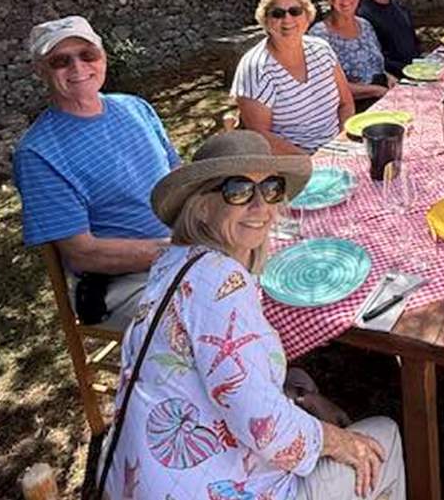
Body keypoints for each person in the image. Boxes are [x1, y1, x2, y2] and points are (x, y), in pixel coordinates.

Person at [101, 130, 406, 500]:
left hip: (140, 479)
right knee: (383, 440)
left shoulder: (174, 263)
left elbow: (227, 377)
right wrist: (338, 441)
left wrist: (301, 397)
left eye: (271, 188)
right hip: (211, 487)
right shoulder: (220, 281)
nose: (260, 205)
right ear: (201, 205)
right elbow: (267, 430)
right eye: (238, 190)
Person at [12, 16, 177, 329]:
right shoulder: (38, 154)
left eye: (87, 55)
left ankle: (275, 370)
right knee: (214, 310)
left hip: (180, 250)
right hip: (119, 283)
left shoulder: (136, 108)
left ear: (103, 57)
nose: (77, 68)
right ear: (40, 71)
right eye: (60, 61)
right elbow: (84, 254)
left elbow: (178, 179)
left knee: (271, 263)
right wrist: (181, 251)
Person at [232, 0, 355, 155]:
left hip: (339, 150)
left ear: (307, 16)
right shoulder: (255, 68)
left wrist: (343, 141)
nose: (287, 19)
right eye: (277, 13)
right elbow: (259, 137)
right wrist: (312, 162)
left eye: (295, 11)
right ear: (266, 20)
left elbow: (346, 104)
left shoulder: (322, 50)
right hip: (292, 166)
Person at [308, 0, 395, 109]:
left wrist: (389, 78)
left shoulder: (365, 25)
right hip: (351, 108)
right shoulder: (319, 35)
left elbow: (375, 65)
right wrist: (376, 91)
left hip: (381, 97)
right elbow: (327, 87)